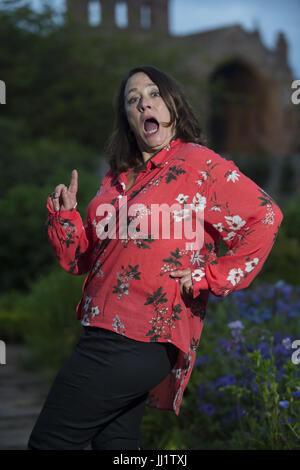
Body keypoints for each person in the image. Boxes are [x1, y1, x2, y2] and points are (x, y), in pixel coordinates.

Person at [28, 65, 283, 450]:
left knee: (51, 441)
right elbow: (82, 259)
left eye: (154, 94)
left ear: (173, 108)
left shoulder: (198, 164)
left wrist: (208, 276)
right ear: (129, 121)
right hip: (103, 330)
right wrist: (65, 216)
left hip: (139, 337)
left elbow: (265, 217)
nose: (144, 102)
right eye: (133, 100)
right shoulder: (118, 178)